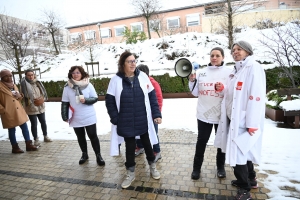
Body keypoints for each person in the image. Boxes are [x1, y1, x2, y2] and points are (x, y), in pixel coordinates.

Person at [214, 41, 266, 200]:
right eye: (233, 50)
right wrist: (223, 89)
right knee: (246, 150)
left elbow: (256, 97)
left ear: (248, 51)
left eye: (239, 49)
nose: (235, 52)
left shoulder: (253, 67)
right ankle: (251, 179)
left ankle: (244, 189)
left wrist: (251, 122)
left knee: (238, 154)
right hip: (235, 118)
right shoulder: (238, 69)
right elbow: (234, 93)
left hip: (244, 121)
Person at [105, 51, 162, 189]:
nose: (133, 63)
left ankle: (153, 167)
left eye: (134, 61)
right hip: (125, 120)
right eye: (129, 61)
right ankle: (130, 173)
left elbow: (152, 97)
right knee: (130, 148)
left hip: (142, 118)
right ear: (122, 64)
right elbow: (110, 101)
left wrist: (156, 114)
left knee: (147, 145)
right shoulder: (115, 80)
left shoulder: (142, 77)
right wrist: (115, 118)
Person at [188, 47, 232, 180]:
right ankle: (196, 169)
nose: (214, 58)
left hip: (221, 115)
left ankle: (220, 168)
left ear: (223, 57)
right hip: (204, 114)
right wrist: (191, 81)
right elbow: (195, 93)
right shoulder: (201, 73)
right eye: (212, 55)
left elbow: (232, 94)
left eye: (217, 55)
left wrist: (223, 89)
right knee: (201, 142)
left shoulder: (229, 73)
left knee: (221, 143)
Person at [61, 66, 105, 166]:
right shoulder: (67, 87)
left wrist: (86, 100)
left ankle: (98, 155)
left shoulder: (88, 85)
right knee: (80, 137)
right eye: (73, 73)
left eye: (77, 72)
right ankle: (84, 154)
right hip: (75, 116)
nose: (75, 74)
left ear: (82, 73)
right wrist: (64, 115)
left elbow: (95, 98)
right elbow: (64, 102)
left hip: (88, 115)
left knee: (93, 136)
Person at [0, 69, 38, 153]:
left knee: (24, 127)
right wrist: (3, 110)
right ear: (2, 77)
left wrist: (20, 96)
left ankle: (28, 145)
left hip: (18, 111)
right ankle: (15, 147)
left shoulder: (13, 85)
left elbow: (18, 98)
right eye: (7, 76)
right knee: (12, 130)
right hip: (8, 112)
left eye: (10, 76)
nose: (9, 78)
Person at [135, 64, 163, 162]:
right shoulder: (137, 82)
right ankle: (140, 146)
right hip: (140, 114)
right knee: (138, 131)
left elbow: (158, 99)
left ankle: (157, 151)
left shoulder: (153, 83)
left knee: (153, 133)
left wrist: (156, 114)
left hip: (152, 115)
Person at [20, 69, 52, 146]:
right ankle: (36, 139)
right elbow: (23, 96)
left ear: (34, 75)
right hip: (31, 107)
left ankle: (45, 136)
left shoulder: (37, 82)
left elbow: (42, 93)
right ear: (26, 76)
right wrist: (32, 101)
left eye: (32, 75)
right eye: (29, 75)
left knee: (43, 122)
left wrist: (41, 99)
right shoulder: (23, 84)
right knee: (34, 124)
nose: (31, 76)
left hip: (40, 106)